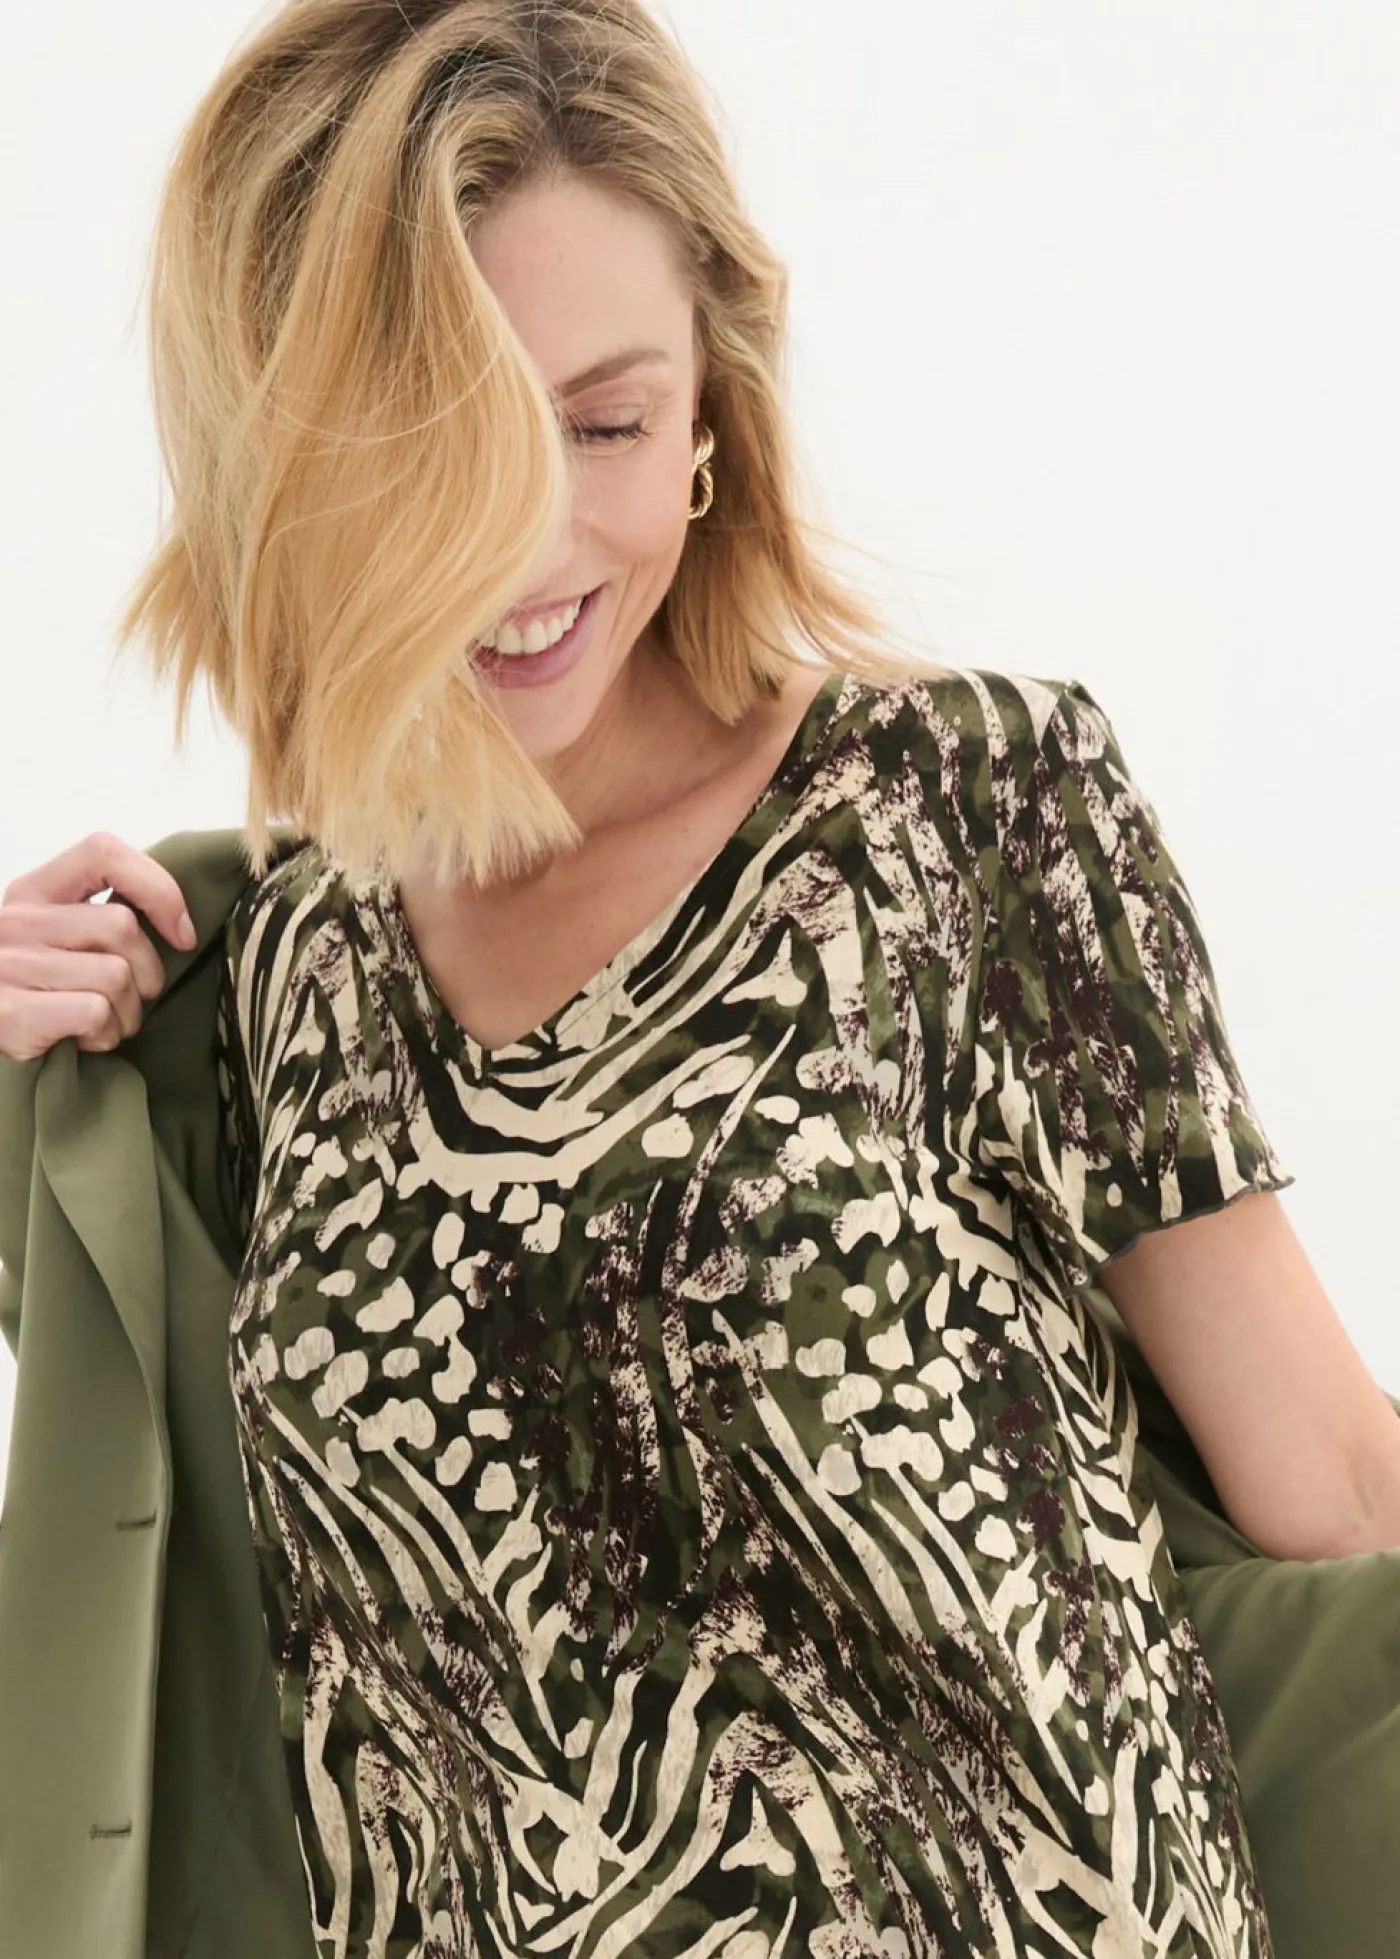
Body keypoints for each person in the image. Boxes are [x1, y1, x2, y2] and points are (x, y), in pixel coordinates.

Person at [4, 3, 1399, 1955]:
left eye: (606, 423)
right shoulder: (271, 978)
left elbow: (1330, 1476)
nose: (529, 541)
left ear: (710, 417)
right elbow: (183, 1570)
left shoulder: (970, 811)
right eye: (440, 444)